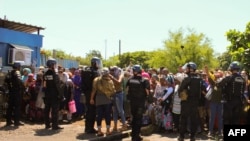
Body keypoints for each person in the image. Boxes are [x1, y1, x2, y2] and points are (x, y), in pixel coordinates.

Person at [178, 62, 206, 141]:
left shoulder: (186, 78)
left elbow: (180, 90)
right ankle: (192, 137)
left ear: (190, 69)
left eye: (187, 68)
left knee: (183, 119)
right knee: (194, 119)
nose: (186, 70)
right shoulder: (199, 79)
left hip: (186, 102)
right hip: (195, 102)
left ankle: (181, 137)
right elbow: (204, 90)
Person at [126, 65, 150, 141]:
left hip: (132, 102)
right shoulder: (144, 80)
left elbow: (127, 90)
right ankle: (136, 136)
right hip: (140, 102)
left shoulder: (130, 79)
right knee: (138, 119)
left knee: (134, 118)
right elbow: (147, 91)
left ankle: (133, 135)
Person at [90, 67, 116, 136]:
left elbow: (94, 90)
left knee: (99, 116)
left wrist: (91, 99)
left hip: (98, 100)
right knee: (108, 115)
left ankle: (99, 131)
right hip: (107, 100)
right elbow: (113, 91)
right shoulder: (110, 81)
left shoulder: (96, 80)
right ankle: (107, 130)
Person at [81, 57, 102, 133]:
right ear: (95, 63)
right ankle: (90, 128)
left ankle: (87, 128)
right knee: (92, 112)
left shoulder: (85, 70)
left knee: (88, 111)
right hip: (93, 93)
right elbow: (96, 84)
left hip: (86, 93)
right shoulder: (95, 72)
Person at [43, 58, 63, 130]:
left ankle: (47, 124)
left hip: (47, 95)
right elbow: (58, 86)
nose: (55, 66)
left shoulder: (45, 74)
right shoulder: (55, 75)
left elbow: (44, 85)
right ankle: (55, 125)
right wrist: (61, 95)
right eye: (54, 64)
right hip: (54, 95)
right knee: (55, 111)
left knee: (47, 110)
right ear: (52, 65)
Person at [4, 62, 25, 127]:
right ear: (18, 67)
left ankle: (8, 121)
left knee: (10, 107)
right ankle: (16, 121)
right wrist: (23, 88)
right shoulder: (17, 72)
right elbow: (20, 82)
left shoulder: (9, 73)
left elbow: (6, 81)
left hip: (11, 92)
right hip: (17, 92)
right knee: (17, 107)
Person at [109, 66, 128, 132]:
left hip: (119, 94)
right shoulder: (112, 75)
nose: (111, 71)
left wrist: (112, 77)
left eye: (113, 70)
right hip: (113, 94)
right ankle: (115, 126)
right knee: (114, 111)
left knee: (120, 110)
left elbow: (119, 82)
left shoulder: (120, 75)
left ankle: (124, 125)